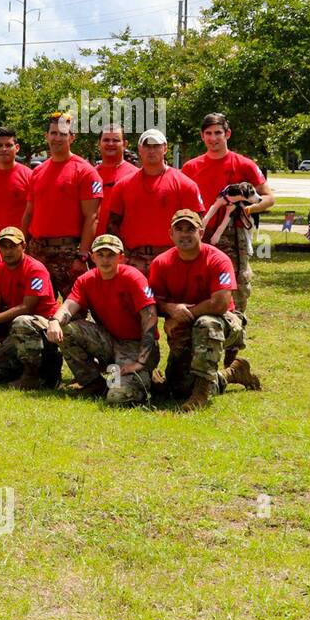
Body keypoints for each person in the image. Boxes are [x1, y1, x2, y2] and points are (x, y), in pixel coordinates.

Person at [148, 210, 261, 411]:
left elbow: (220, 303)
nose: (185, 234)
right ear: (170, 234)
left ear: (201, 233)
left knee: (206, 324)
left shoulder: (218, 259)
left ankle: (201, 394)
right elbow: (154, 302)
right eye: (179, 229)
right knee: (179, 388)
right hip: (186, 325)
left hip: (224, 322)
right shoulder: (161, 263)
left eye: (191, 229)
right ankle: (233, 373)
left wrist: (184, 315)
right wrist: (170, 309)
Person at [45, 234, 158, 405]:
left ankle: (148, 378)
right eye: (101, 255)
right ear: (93, 257)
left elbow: (150, 317)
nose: (105, 260)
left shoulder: (133, 277)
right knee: (67, 330)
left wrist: (141, 361)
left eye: (111, 255)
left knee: (118, 398)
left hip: (135, 345)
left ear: (121, 257)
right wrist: (54, 321)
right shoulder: (86, 280)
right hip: (109, 340)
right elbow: (69, 306)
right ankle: (93, 383)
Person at [180, 112, 275, 315]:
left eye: (218, 133)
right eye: (208, 133)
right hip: (199, 233)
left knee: (235, 284)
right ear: (202, 136)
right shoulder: (190, 167)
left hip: (234, 235)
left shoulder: (244, 164)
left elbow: (268, 198)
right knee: (199, 282)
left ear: (227, 134)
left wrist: (246, 208)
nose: (213, 138)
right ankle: (202, 332)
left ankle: (234, 333)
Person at [101, 129, 204, 275]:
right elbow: (112, 225)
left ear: (165, 148)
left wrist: (189, 255)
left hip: (172, 257)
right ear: (139, 150)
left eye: (156, 146)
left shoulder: (185, 184)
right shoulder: (123, 185)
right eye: (147, 146)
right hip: (134, 258)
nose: (151, 150)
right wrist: (119, 256)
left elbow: (198, 224)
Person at [22, 112, 102, 301]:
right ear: (46, 136)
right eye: (53, 133)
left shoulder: (85, 171)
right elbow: (29, 213)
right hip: (37, 251)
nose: (57, 138)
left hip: (68, 252)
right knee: (36, 307)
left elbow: (92, 217)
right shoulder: (38, 172)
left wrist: (82, 255)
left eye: (63, 134)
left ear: (72, 137)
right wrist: (22, 244)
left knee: (74, 309)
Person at [0, 226, 61, 389]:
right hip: (17, 328)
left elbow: (28, 307)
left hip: (44, 325)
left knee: (22, 321)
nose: (8, 251)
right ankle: (39, 369)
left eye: (13, 246)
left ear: (23, 246)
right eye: (4, 246)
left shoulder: (35, 269)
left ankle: (32, 375)